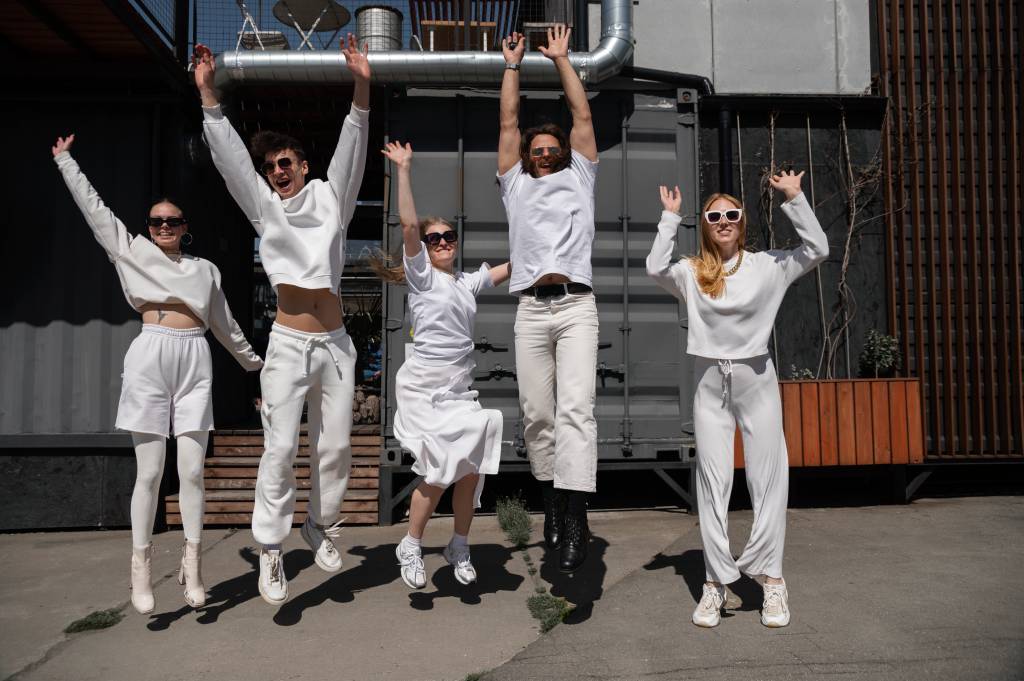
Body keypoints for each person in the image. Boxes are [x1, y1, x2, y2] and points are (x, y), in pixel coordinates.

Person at [52, 134, 263, 615]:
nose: (164, 226)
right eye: (156, 221)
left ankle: (194, 564)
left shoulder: (205, 270)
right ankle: (141, 568)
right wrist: (66, 162)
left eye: (172, 221)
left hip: (194, 358)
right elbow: (95, 209)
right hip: (150, 354)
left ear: (185, 228)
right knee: (149, 471)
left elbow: (225, 325)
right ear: (148, 227)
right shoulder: (130, 251)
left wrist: (257, 365)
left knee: (192, 470)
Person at [193, 35, 370, 605]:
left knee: (335, 448)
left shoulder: (332, 199)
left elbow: (353, 147)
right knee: (280, 449)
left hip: (336, 345)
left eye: (285, 162)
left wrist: (361, 86)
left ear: (303, 165)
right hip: (290, 344)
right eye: (271, 167)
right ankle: (271, 549)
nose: (277, 171)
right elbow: (231, 163)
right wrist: (209, 97)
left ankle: (319, 523)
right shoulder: (265, 207)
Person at [645, 173, 829, 628]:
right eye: (714, 216)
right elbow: (654, 267)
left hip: (756, 380)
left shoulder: (768, 265)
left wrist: (794, 197)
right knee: (712, 483)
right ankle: (714, 583)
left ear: (742, 221)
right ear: (706, 226)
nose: (723, 221)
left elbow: (818, 249)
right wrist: (670, 219)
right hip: (709, 383)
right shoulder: (692, 271)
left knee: (769, 480)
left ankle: (773, 580)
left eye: (731, 214)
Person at [371, 141, 510, 588]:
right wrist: (404, 170)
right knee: (438, 469)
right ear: (425, 249)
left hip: (458, 391)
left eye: (450, 237)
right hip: (424, 389)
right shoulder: (422, 277)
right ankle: (410, 544)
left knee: (471, 469)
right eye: (436, 239)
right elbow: (409, 224)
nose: (444, 242)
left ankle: (459, 545)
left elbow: (512, 267)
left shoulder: (466, 283)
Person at [497, 25, 600, 573]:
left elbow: (582, 117)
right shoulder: (515, 184)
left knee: (576, 411)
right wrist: (512, 66)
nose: (542, 155)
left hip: (577, 306)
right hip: (532, 310)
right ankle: (553, 502)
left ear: (563, 154)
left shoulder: (581, 175)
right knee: (537, 414)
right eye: (536, 151)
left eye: (550, 150)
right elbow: (507, 123)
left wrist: (561, 59)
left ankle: (577, 518)